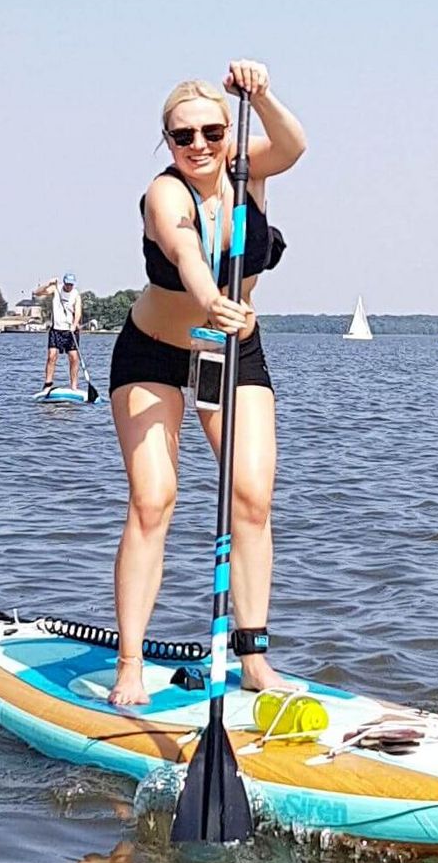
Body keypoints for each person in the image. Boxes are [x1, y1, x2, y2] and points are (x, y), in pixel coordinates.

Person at [105, 60, 306, 706]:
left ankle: (253, 658)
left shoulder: (253, 169)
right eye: (181, 136)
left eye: (212, 133)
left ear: (229, 133)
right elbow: (186, 249)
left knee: (250, 497)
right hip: (156, 354)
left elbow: (295, 145)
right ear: (166, 141)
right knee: (154, 499)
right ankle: (131, 663)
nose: (198, 146)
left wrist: (264, 95)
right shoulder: (165, 193)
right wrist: (210, 299)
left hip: (234, 352)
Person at [34, 272, 83, 392]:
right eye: (67, 284)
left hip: (70, 331)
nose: (69, 287)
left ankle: (74, 386)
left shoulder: (76, 294)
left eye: (71, 284)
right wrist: (47, 284)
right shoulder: (56, 289)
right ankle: (48, 384)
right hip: (56, 330)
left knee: (74, 358)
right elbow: (37, 293)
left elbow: (78, 311)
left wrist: (74, 324)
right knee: (52, 356)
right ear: (64, 282)